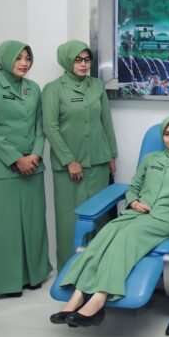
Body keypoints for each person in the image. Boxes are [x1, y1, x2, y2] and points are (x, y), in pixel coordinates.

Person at [50, 116, 169, 327]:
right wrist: (134, 202)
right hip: (136, 213)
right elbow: (134, 187)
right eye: (167, 134)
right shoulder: (150, 159)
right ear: (162, 136)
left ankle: (99, 298)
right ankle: (77, 296)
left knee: (127, 236)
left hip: (167, 217)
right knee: (105, 234)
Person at [0, 41, 51, 297]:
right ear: (5, 59)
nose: (24, 63)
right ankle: (5, 282)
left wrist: (35, 154)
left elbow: (40, 125)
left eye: (27, 58)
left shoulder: (34, 88)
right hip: (0, 168)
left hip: (32, 165)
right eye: (18, 58)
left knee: (33, 223)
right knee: (4, 227)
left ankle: (35, 275)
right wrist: (15, 158)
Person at [42, 40, 118, 270]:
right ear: (67, 61)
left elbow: (106, 122)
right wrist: (69, 160)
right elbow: (50, 128)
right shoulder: (53, 89)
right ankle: (69, 271)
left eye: (87, 60)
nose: (84, 64)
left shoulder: (97, 86)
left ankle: (97, 270)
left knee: (100, 218)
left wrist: (112, 155)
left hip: (99, 161)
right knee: (71, 221)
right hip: (69, 167)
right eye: (78, 60)